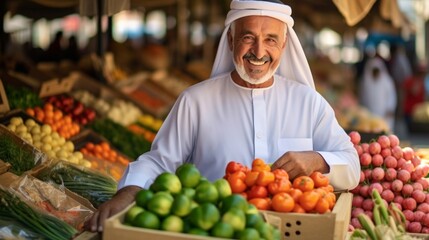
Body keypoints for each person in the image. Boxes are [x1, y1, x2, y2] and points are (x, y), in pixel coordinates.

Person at [86, 0, 360, 232]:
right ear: (230, 39)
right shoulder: (195, 101)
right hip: (213, 229)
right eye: (248, 37)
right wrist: (129, 190)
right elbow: (160, 162)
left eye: (270, 40)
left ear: (284, 44)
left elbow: (351, 165)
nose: (259, 51)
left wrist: (317, 159)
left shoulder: (309, 103)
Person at [359, 56, 397, 132]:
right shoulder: (365, 81)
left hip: (384, 112)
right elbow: (362, 96)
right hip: (370, 113)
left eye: (377, 70)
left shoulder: (387, 81)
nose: (375, 73)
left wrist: (390, 108)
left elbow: (392, 95)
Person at [402, 63, 427, 129]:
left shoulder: (423, 82)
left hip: (420, 114)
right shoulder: (410, 80)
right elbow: (414, 91)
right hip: (409, 112)